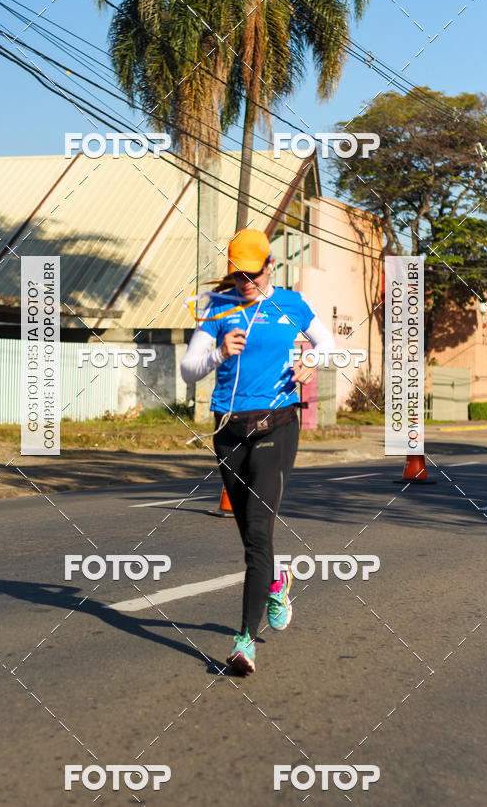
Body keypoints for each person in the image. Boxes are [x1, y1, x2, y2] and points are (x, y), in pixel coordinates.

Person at [180, 228, 335, 675]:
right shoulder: (217, 307)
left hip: (278, 424)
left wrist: (311, 362)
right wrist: (217, 355)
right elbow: (190, 370)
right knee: (251, 535)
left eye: (252, 272)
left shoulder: (291, 303)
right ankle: (276, 584)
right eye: (237, 273)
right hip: (229, 429)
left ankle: (244, 642)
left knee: (258, 536)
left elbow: (327, 343)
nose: (245, 281)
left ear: (270, 266)